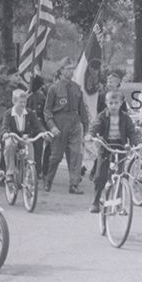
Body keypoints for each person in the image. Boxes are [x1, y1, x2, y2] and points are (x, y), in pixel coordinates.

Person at [87, 90, 141, 214]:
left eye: (116, 103)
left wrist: (138, 143)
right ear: (106, 103)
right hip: (106, 147)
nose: (113, 106)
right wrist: (91, 135)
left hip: (121, 147)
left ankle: (118, 204)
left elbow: (132, 132)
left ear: (121, 103)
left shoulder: (125, 117)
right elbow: (95, 126)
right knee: (100, 176)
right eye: (111, 103)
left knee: (120, 176)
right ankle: (95, 202)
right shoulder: (102, 116)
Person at [43, 59, 89, 194]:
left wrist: (85, 127)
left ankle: (74, 184)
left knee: (75, 154)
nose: (70, 71)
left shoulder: (76, 88)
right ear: (61, 70)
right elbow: (47, 110)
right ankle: (48, 180)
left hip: (74, 123)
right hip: (59, 123)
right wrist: (52, 126)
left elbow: (82, 109)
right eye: (68, 69)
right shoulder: (53, 88)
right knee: (56, 156)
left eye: (72, 69)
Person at [1, 89, 45, 183]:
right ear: (14, 101)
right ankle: (10, 172)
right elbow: (5, 125)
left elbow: (38, 125)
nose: (23, 104)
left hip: (24, 138)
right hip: (13, 137)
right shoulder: (8, 113)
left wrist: (43, 132)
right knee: (9, 145)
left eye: (25, 102)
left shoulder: (30, 113)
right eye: (20, 102)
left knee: (29, 146)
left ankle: (31, 172)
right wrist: (5, 133)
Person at [26, 74, 50, 177]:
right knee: (37, 150)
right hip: (37, 125)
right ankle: (37, 170)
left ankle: (31, 170)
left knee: (31, 149)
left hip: (31, 125)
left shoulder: (29, 97)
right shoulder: (40, 97)